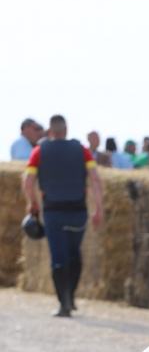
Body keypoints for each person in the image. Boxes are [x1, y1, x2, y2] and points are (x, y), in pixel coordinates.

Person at [22, 114, 104, 317]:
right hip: (77, 211)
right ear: (66, 130)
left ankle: (64, 303)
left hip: (53, 212)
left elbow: (28, 180)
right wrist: (98, 208)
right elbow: (95, 179)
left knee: (58, 257)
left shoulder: (39, 151)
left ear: (51, 131)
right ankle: (72, 297)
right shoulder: (82, 150)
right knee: (74, 253)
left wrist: (32, 203)